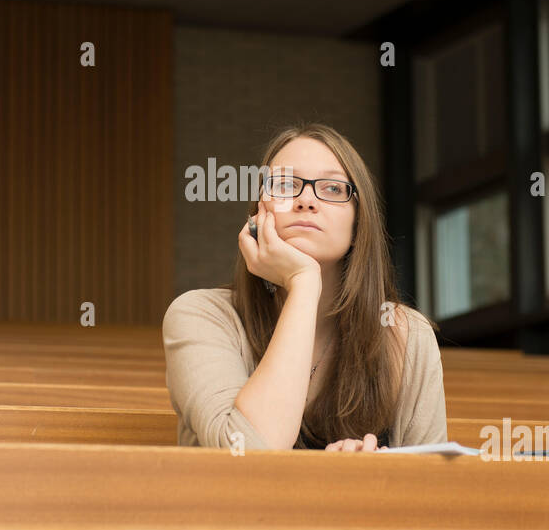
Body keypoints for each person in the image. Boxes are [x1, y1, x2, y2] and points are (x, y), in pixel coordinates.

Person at [163, 122, 449, 451]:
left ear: (358, 225)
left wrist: (371, 478)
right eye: (285, 185)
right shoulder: (201, 316)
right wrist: (304, 282)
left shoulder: (404, 334)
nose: (306, 201)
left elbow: (431, 487)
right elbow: (252, 453)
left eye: (332, 189)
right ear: (258, 214)